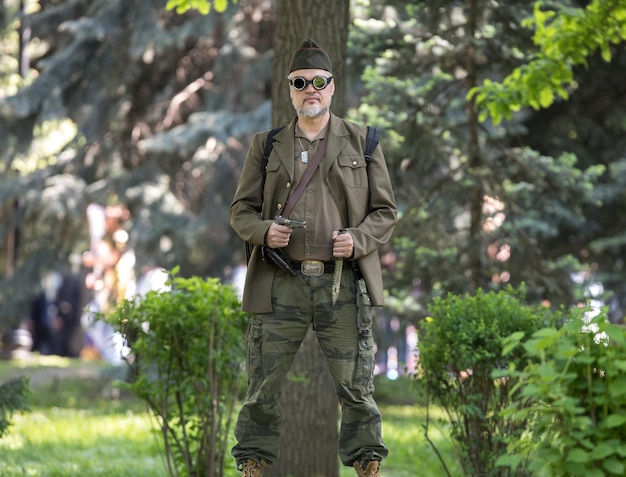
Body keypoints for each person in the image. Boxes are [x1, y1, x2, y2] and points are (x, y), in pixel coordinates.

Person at [229, 39, 397, 477]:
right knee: (263, 382)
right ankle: (253, 461)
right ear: (289, 90)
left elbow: (386, 213)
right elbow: (240, 211)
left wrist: (357, 240)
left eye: (318, 83)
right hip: (280, 280)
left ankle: (367, 463)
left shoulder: (364, 142)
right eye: (301, 83)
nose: (311, 90)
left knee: (355, 385)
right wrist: (266, 232)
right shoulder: (265, 145)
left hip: (340, 281)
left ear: (332, 88)